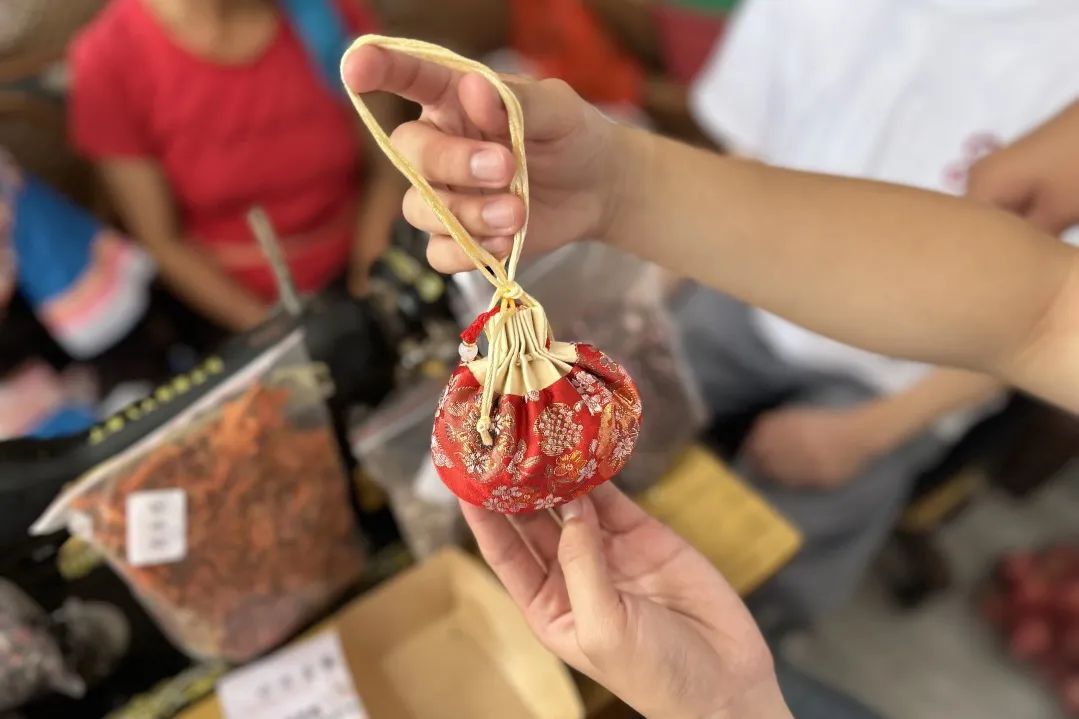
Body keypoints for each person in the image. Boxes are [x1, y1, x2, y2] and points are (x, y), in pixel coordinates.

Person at [343, 46, 1079, 718]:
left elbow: (1041, 318)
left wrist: (726, 702)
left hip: (896, 382)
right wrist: (618, 189)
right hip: (752, 293)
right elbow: (1042, 312)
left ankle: (770, 622)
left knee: (801, 528)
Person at [666, 0, 1079, 626]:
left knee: (767, 558)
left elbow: (1046, 319)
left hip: (910, 374)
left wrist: (868, 433)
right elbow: (741, 155)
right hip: (752, 286)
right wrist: (647, 293)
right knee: (599, 405)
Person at [69, 0, 403, 333]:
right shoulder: (108, 59)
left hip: (372, 261)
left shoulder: (327, 12)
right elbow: (162, 241)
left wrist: (369, 287)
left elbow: (388, 165)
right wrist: (277, 334)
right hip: (237, 312)